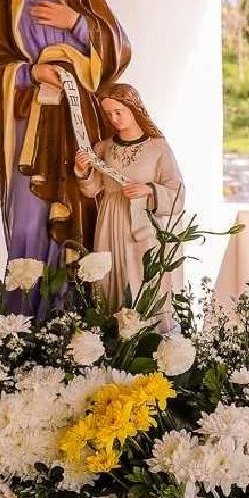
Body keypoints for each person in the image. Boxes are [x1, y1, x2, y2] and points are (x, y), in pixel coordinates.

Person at [0, 0, 131, 318]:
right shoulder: (8, 1)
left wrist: (76, 23)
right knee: (29, 223)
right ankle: (22, 327)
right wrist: (30, 74)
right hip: (30, 132)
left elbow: (118, 52)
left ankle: (70, 326)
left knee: (76, 220)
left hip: (77, 129)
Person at [75, 84, 185, 331]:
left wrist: (148, 189)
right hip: (111, 221)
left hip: (143, 224)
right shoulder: (103, 148)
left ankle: (149, 339)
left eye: (119, 112)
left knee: (141, 277)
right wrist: (83, 172)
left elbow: (178, 194)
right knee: (112, 280)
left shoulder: (158, 148)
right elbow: (91, 190)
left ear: (134, 109)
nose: (114, 119)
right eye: (109, 114)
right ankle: (115, 342)